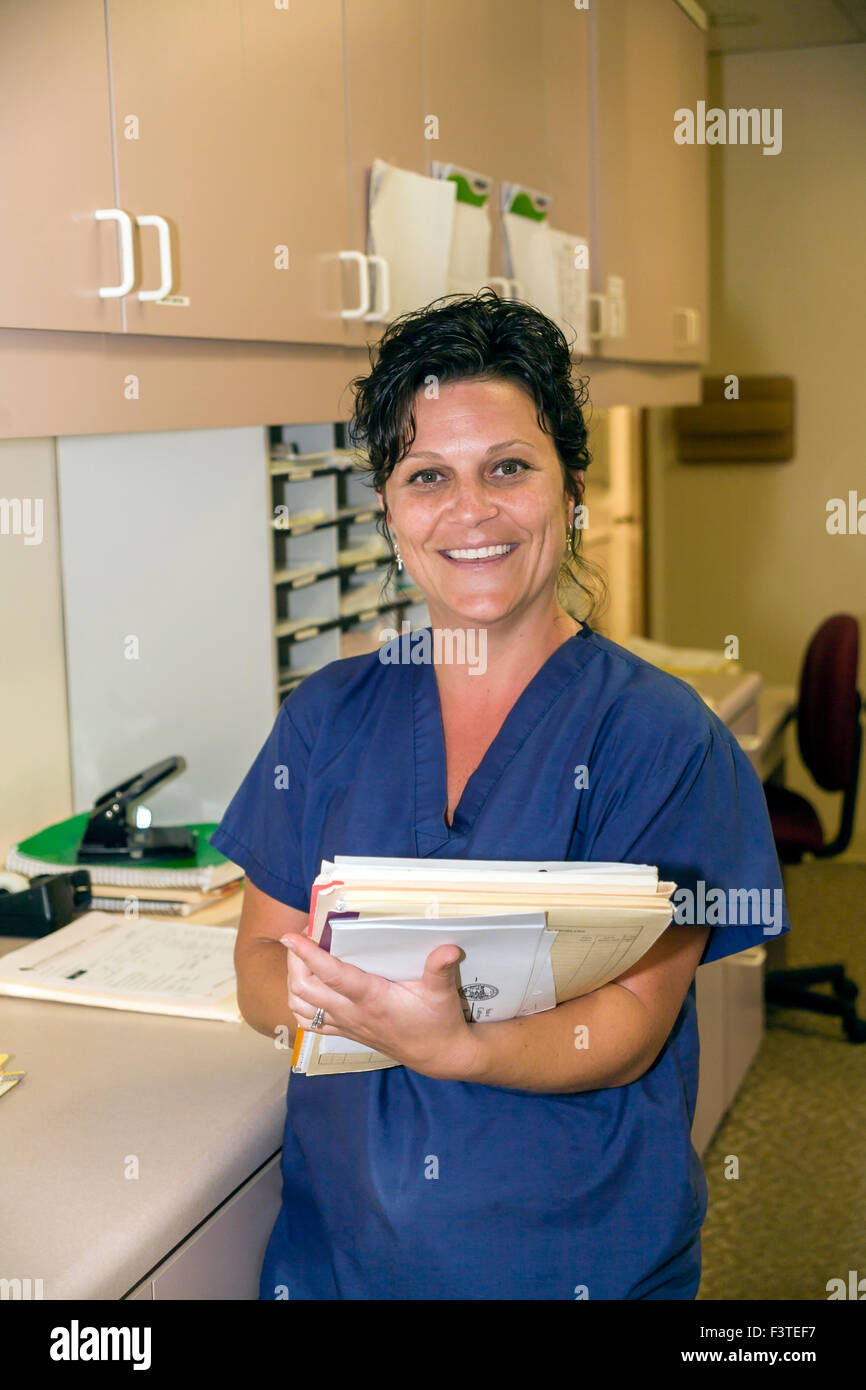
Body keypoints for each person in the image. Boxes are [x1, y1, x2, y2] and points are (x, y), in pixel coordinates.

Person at [209, 289, 790, 1300]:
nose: (468, 510)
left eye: (507, 468)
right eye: (426, 474)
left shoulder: (659, 739)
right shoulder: (328, 716)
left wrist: (456, 1045)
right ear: (387, 509)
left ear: (568, 489)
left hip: (570, 1265)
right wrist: (302, 995)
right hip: (338, 1264)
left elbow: (628, 1029)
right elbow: (259, 962)